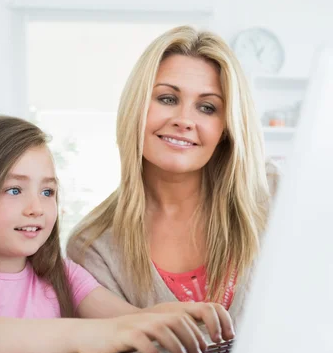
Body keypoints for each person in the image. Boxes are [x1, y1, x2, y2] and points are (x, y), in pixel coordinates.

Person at [0, 115, 234, 353]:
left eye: (47, 192)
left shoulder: (61, 274)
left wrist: (176, 316)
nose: (36, 207)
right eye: (14, 190)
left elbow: (128, 322)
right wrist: (83, 335)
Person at [67, 26, 272, 324]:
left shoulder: (275, 199)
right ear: (136, 108)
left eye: (207, 107)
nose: (184, 121)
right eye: (167, 99)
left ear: (226, 128)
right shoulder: (93, 246)